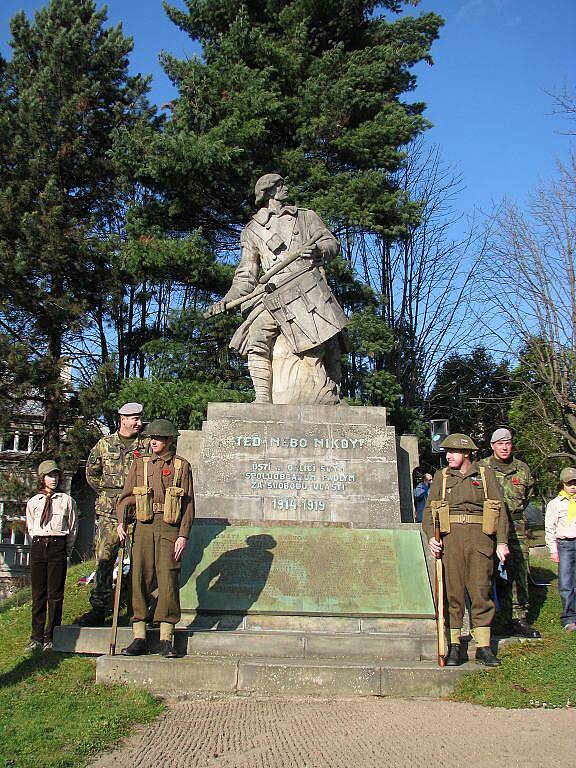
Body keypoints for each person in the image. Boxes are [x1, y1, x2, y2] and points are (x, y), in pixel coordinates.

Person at [205, 173, 348, 404]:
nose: (286, 187)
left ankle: (333, 394)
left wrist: (318, 252)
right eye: (280, 184)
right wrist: (227, 299)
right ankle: (262, 398)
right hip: (275, 293)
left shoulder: (306, 217)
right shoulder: (252, 230)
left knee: (330, 340)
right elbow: (246, 275)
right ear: (269, 191)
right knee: (256, 336)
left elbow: (330, 243)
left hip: (309, 285)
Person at [423, 433, 509, 667]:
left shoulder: (484, 474)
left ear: (467, 453)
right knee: (453, 594)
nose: (449, 456)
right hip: (451, 542)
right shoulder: (442, 477)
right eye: (447, 452)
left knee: (481, 592)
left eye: (454, 451)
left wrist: (501, 542)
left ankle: (483, 647)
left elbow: (499, 510)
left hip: (480, 540)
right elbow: (429, 513)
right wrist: (432, 537)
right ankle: (454, 646)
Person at [117, 419, 194, 658]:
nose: (154, 441)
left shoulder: (182, 466)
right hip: (143, 526)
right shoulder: (141, 464)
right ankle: (139, 634)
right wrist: (121, 521)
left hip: (170, 528)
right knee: (140, 576)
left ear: (170, 440)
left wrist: (183, 535)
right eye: (152, 437)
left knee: (168, 577)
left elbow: (189, 504)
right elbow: (126, 496)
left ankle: (165, 637)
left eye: (159, 438)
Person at [79, 402, 149, 626]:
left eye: (140, 418)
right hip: (109, 513)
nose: (139, 422)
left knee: (138, 562)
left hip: (137, 511)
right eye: (135, 418)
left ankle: (134, 609)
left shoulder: (146, 445)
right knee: (104, 560)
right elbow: (92, 474)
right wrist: (107, 494)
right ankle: (99, 607)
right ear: (123, 419)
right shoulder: (104, 444)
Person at [480, 428, 540, 638]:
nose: (504, 447)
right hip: (489, 528)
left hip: (516, 527)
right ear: (492, 446)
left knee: (518, 572)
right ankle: (493, 617)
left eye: (508, 443)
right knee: (488, 571)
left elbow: (527, 498)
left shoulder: (522, 469)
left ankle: (518, 617)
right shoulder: (482, 468)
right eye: (500, 444)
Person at [25, 460, 78, 653]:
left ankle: (52, 635)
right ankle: (36, 636)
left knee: (55, 593)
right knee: (38, 593)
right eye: (49, 475)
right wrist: (40, 540)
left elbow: (72, 528)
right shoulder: (34, 502)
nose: (53, 479)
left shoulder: (66, 501)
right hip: (39, 545)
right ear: (42, 478)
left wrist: (67, 550)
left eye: (56, 475)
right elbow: (31, 527)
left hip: (58, 545)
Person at [545, 467, 576, 632]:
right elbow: (550, 528)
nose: (573, 486)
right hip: (564, 545)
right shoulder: (555, 504)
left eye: (575, 483)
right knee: (566, 583)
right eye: (569, 483)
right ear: (563, 484)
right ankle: (569, 618)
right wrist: (553, 549)